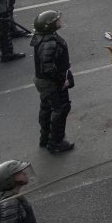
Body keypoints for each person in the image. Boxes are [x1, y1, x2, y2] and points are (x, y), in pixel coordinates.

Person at [31, 11, 74, 154]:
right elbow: (48, 67)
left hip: (45, 82)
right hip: (51, 82)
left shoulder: (43, 38)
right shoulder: (49, 42)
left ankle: (45, 137)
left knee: (46, 108)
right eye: (56, 20)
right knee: (60, 109)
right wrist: (63, 80)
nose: (60, 21)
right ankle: (56, 142)